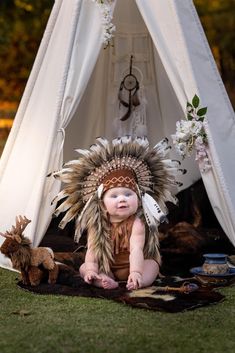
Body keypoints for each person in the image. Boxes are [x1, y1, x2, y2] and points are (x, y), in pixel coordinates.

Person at [53, 136, 183, 290]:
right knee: (84, 268)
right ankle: (103, 280)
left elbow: (136, 249)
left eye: (128, 194)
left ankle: (137, 281)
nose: (122, 199)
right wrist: (90, 270)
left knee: (152, 264)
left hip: (134, 265)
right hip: (108, 267)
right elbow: (93, 252)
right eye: (114, 196)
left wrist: (135, 272)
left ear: (139, 200)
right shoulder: (97, 224)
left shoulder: (137, 223)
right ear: (102, 204)